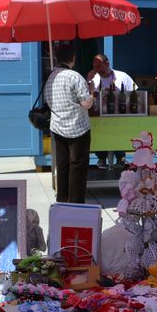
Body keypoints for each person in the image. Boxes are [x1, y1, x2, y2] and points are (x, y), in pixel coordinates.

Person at [46, 44, 94, 204]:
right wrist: (92, 94)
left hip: (58, 126)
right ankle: (76, 202)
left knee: (62, 165)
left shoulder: (51, 76)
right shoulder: (74, 76)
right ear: (73, 58)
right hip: (77, 127)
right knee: (77, 166)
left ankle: (62, 199)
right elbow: (86, 103)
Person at [87, 54, 136, 169]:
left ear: (107, 63)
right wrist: (88, 81)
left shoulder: (122, 76)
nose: (96, 69)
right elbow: (86, 96)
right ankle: (101, 158)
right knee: (99, 136)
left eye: (99, 66)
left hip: (119, 117)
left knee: (118, 135)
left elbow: (134, 94)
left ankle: (120, 158)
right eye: (94, 66)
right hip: (99, 117)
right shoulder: (93, 78)